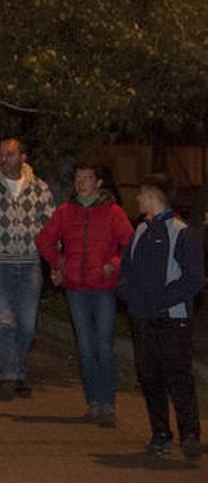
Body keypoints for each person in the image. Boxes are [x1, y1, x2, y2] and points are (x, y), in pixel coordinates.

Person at [36, 162, 133, 426]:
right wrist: (59, 262)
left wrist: (114, 263)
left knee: (103, 345)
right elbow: (43, 239)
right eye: (78, 179)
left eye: (86, 179)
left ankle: (108, 405)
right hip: (76, 288)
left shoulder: (113, 213)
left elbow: (130, 242)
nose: (81, 183)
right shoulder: (66, 212)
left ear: (98, 183)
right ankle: (94, 403)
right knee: (86, 347)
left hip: (103, 288)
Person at [119, 177, 204, 460]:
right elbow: (127, 269)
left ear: (153, 195)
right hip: (142, 319)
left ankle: (190, 434)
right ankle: (160, 434)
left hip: (172, 319)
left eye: (141, 193)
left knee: (178, 378)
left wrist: (160, 301)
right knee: (149, 378)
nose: (138, 199)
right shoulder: (141, 230)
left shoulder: (182, 233)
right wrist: (127, 294)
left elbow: (194, 279)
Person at [0, 137, 55, 400]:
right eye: (1, 154)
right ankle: (8, 376)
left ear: (23, 157)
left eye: (10, 154)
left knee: (28, 325)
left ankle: (17, 369)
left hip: (30, 263)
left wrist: (55, 259)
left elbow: (51, 225)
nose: (5, 159)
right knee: (4, 320)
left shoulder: (39, 188)